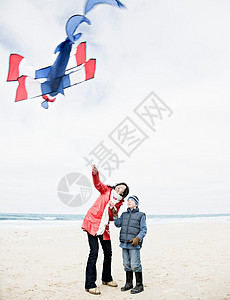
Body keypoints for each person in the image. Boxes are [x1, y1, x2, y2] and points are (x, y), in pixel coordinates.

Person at [82, 164, 129, 295]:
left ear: (123, 194)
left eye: (122, 189)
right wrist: (95, 173)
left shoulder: (119, 203)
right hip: (92, 222)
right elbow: (98, 184)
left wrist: (114, 209)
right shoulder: (106, 191)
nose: (120, 188)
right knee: (94, 253)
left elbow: (114, 218)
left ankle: (106, 278)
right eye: (119, 186)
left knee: (108, 252)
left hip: (104, 227)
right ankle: (90, 284)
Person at [113, 195, 147, 294]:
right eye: (128, 201)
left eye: (131, 201)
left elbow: (144, 229)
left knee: (135, 265)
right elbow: (118, 224)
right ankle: (129, 283)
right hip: (124, 243)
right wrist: (115, 215)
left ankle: (139, 285)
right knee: (126, 264)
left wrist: (138, 238)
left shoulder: (141, 215)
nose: (129, 202)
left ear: (136, 204)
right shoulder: (124, 214)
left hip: (134, 244)